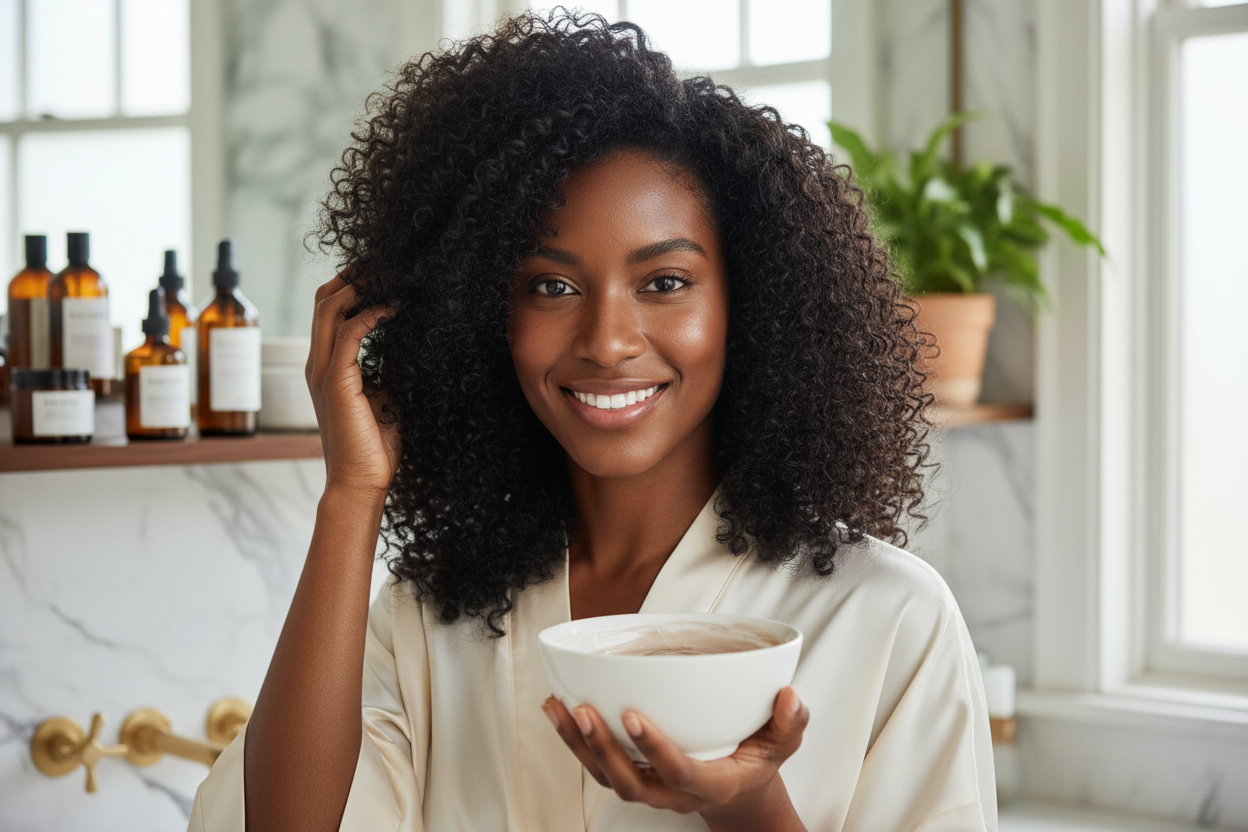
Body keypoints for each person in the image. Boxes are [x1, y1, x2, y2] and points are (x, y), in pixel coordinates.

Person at [189, 10, 996, 832]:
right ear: (480, 314)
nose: (607, 343)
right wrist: (352, 495)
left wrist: (749, 803)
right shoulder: (429, 617)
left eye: (665, 282)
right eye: (551, 286)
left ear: (750, 303)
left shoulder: (888, 617)